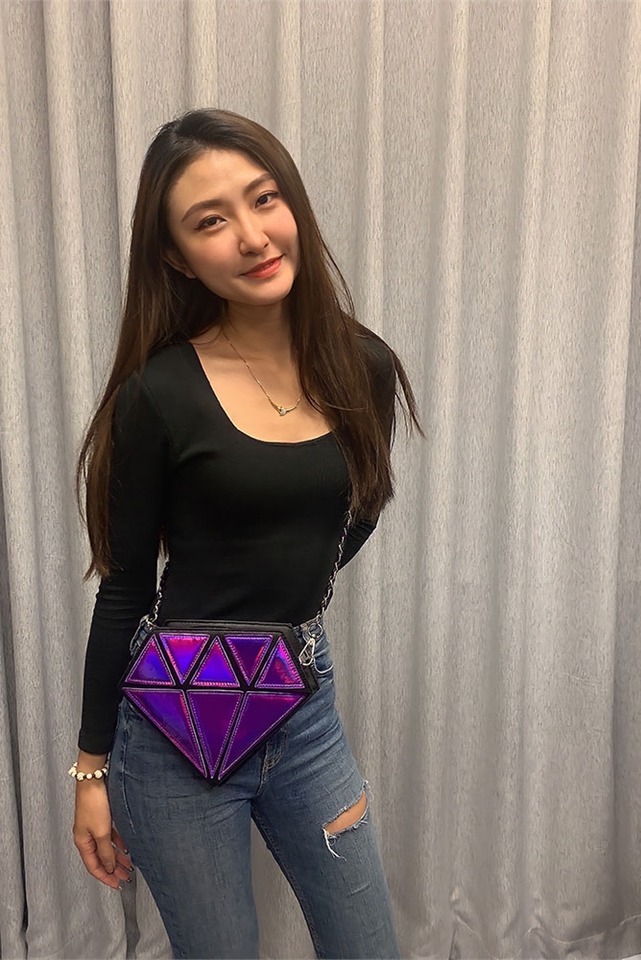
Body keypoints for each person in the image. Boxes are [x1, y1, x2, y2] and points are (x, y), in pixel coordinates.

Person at [71, 108, 420, 959]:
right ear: (174, 256)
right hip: (170, 732)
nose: (253, 235)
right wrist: (90, 771)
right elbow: (125, 590)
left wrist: (287, 579)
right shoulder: (157, 394)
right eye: (210, 221)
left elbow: (361, 507)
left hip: (303, 709)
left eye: (264, 199)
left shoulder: (364, 366)